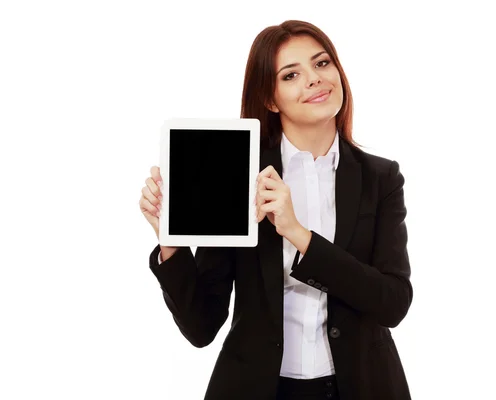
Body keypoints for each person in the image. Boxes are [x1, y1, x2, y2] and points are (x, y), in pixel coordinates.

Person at [139, 20, 413, 400]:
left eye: (321, 64)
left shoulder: (381, 178)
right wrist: (169, 238)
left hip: (360, 387)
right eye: (291, 74)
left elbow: (393, 303)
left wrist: (298, 234)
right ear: (270, 99)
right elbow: (202, 326)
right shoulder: (239, 174)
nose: (314, 80)